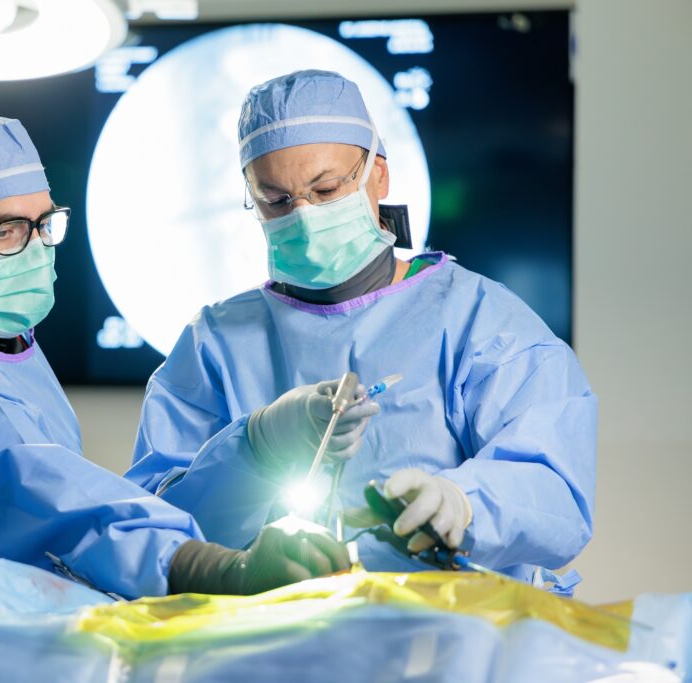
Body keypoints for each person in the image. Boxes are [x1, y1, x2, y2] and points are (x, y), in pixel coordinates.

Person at [0, 113, 349, 600]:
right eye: (5, 231)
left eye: (43, 224)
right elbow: (43, 500)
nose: (34, 250)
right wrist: (217, 568)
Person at [127, 70, 596, 591]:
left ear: (379, 176)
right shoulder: (213, 344)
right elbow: (158, 529)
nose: (302, 217)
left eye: (325, 189)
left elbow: (556, 493)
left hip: (450, 644)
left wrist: (464, 504)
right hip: (271, 647)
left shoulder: (481, 321)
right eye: (276, 200)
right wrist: (255, 446)